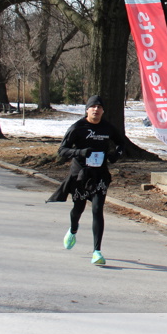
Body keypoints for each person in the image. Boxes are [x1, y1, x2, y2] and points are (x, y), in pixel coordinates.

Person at [47, 95, 126, 266]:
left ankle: (97, 252)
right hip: (80, 175)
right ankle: (73, 229)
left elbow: (121, 143)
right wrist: (80, 152)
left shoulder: (107, 128)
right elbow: (62, 150)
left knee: (97, 209)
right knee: (78, 208)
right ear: (87, 110)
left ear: (103, 111)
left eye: (99, 107)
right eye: (93, 107)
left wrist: (115, 155)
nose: (96, 110)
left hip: (100, 174)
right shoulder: (77, 128)